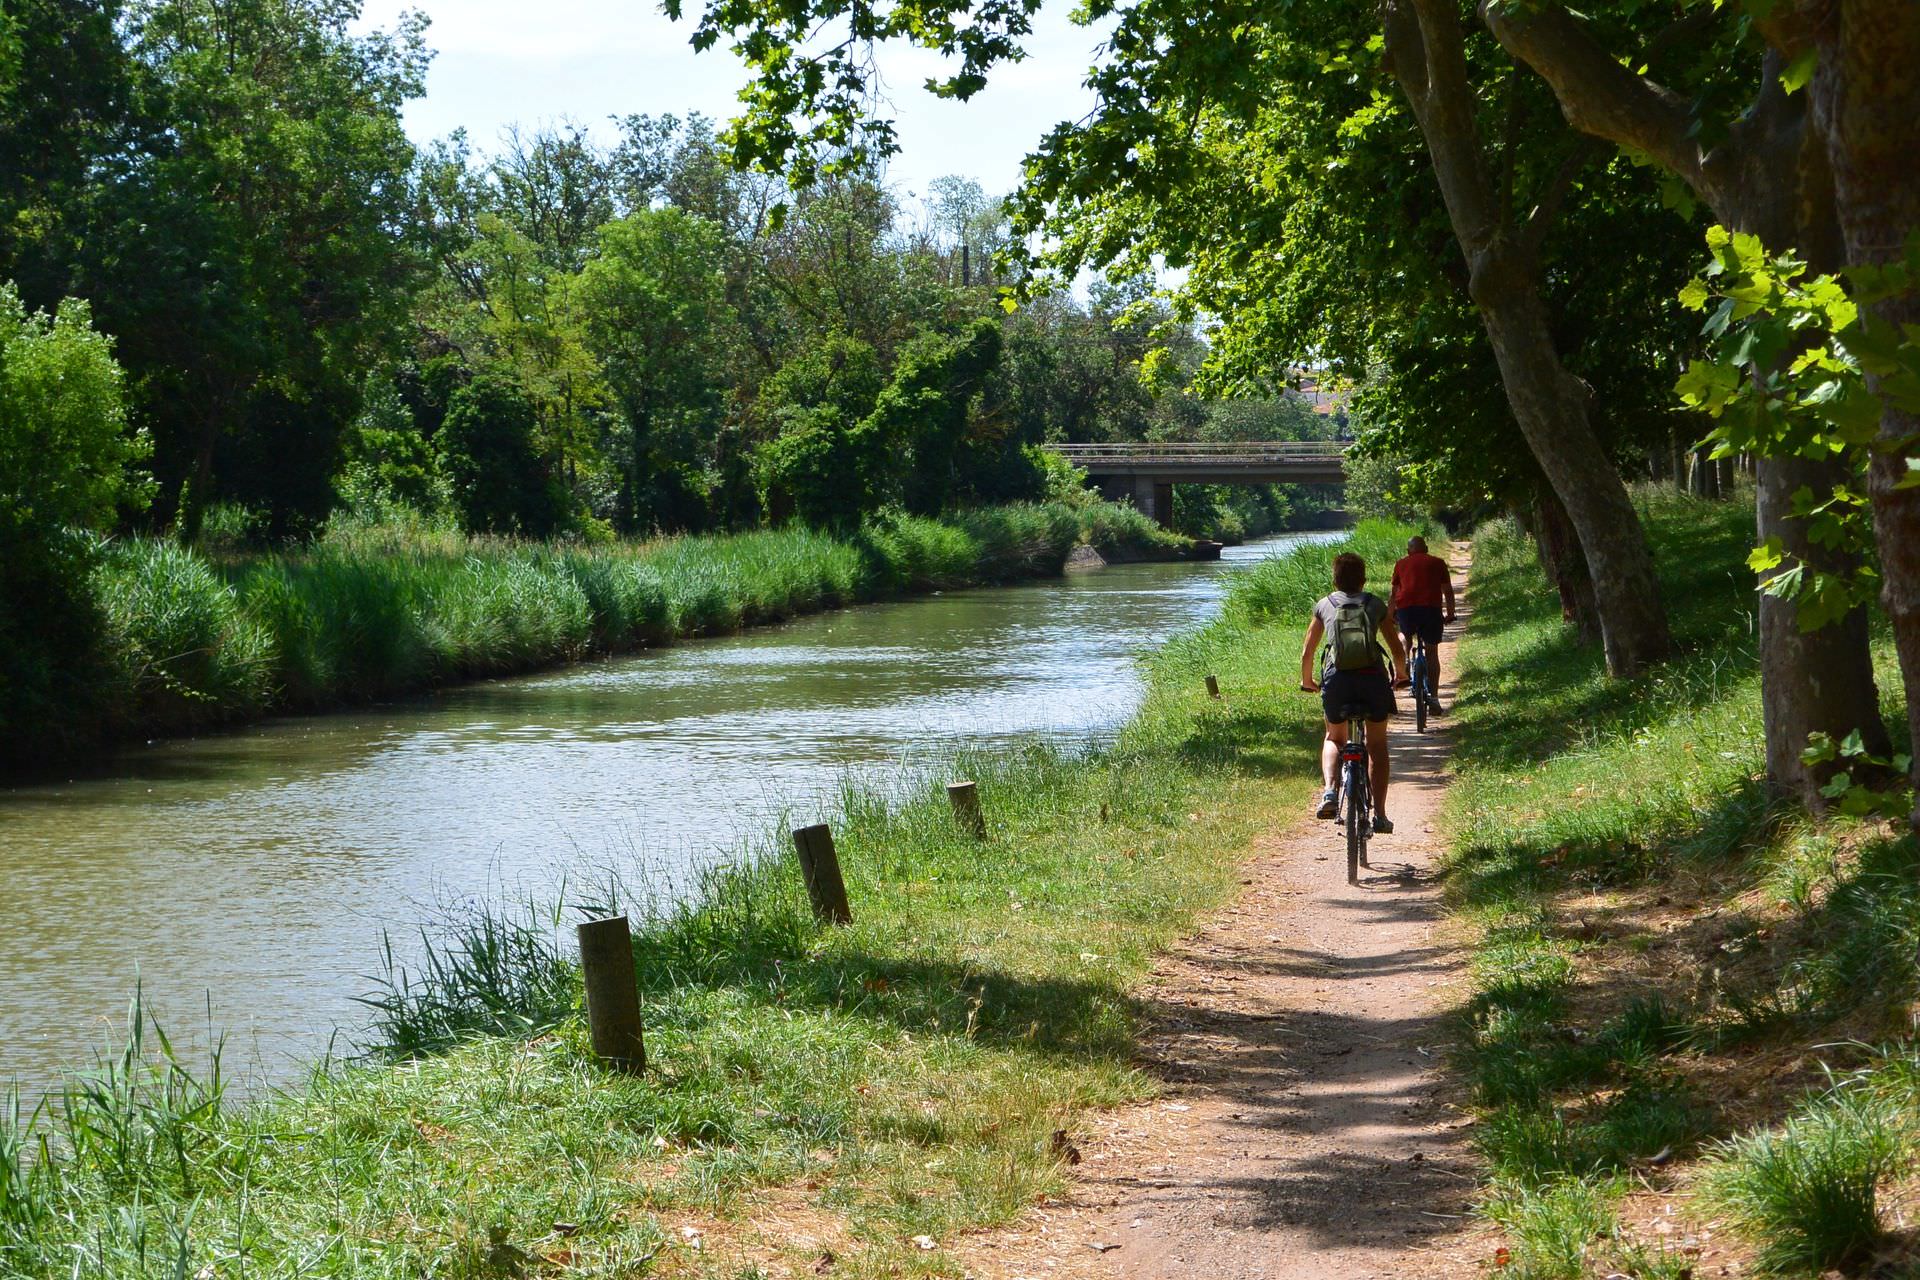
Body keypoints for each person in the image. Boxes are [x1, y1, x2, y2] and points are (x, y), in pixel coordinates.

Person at [1300, 551, 1407, 833]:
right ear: (1363, 579)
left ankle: (1329, 792)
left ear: (1335, 579)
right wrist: (1401, 675)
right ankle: (1380, 815)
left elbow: (1307, 652)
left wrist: (1308, 681)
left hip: (1337, 680)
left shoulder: (1325, 604)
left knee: (1334, 738)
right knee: (1377, 745)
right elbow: (1396, 647)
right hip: (1372, 679)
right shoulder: (1374, 604)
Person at [1390, 535, 1455, 709]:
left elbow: (1394, 593)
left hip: (1406, 610)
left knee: (1404, 634)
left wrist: (1390, 615)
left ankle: (1405, 660)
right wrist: (1450, 614)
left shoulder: (1400, 564)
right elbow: (1448, 591)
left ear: (1408, 551)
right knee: (1432, 652)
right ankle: (1434, 698)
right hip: (1430, 611)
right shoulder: (1438, 562)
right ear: (1426, 548)